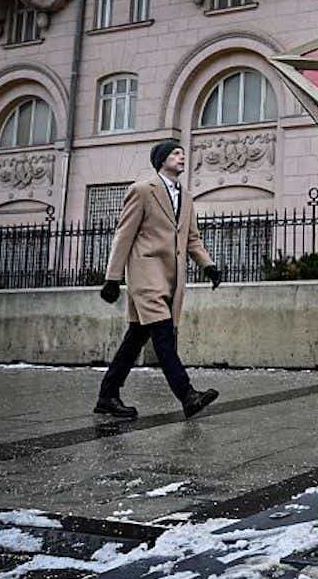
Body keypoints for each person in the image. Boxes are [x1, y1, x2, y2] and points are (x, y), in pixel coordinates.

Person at [94, 139, 223, 419]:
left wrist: (209, 265)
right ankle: (188, 396)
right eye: (175, 153)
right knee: (164, 336)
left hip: (171, 279)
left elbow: (191, 239)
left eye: (182, 153)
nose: (181, 157)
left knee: (136, 338)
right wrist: (112, 278)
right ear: (161, 159)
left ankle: (107, 396)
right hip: (146, 275)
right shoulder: (142, 191)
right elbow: (124, 235)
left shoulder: (186, 197)